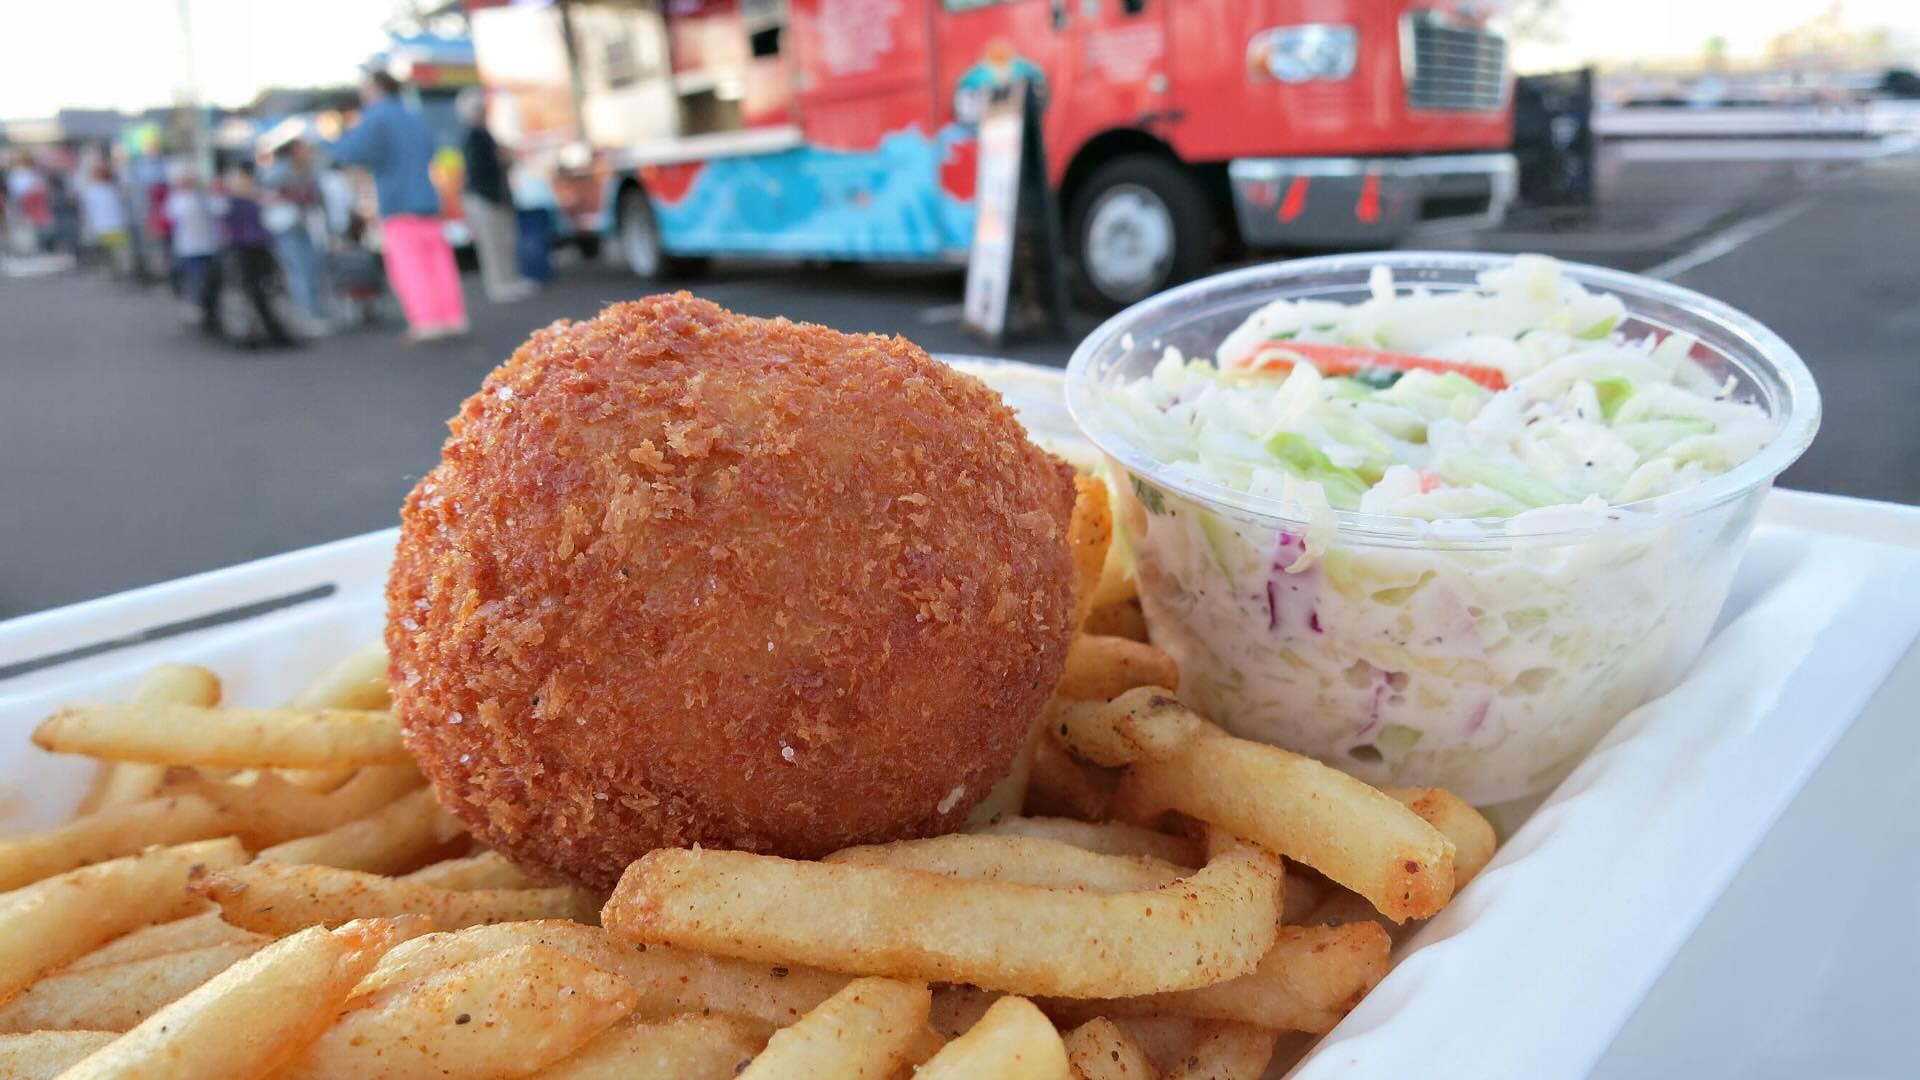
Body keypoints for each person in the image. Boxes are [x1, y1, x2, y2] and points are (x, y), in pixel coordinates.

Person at [323, 70, 468, 341]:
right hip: (427, 200)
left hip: (398, 202)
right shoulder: (414, 117)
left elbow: (350, 152)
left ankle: (427, 321)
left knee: (410, 266)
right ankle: (452, 316)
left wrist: (329, 138)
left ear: (376, 88)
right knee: (440, 263)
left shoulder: (377, 117)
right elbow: (432, 150)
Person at [456, 89, 535, 303]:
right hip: (484, 198)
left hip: (495, 196)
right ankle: (500, 285)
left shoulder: (485, 135)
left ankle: (510, 280)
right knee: (492, 244)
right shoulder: (473, 137)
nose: (481, 112)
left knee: (505, 241)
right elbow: (478, 171)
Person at [221, 163, 296, 347]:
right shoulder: (241, 200)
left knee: (261, 292)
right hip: (248, 250)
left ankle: (266, 329)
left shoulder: (251, 198)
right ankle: (262, 330)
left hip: (256, 249)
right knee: (256, 292)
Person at [260, 139, 331, 329]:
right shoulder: (279, 171)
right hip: (287, 226)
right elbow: (266, 193)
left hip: (305, 224)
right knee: (299, 269)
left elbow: (318, 195)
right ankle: (307, 313)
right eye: (304, 149)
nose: (308, 152)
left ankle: (313, 310)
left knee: (311, 267)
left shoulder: (309, 170)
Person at [163, 161, 223, 336]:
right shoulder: (177, 199)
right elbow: (171, 218)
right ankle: (201, 309)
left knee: (211, 281)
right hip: (190, 248)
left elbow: (219, 209)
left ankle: (210, 311)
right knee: (197, 280)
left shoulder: (203, 196)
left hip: (209, 246)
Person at [77, 156, 132, 275]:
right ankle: (115, 270)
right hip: (105, 226)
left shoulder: (113, 189)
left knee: (118, 252)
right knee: (111, 252)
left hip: (113, 225)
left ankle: (121, 271)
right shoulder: (92, 191)